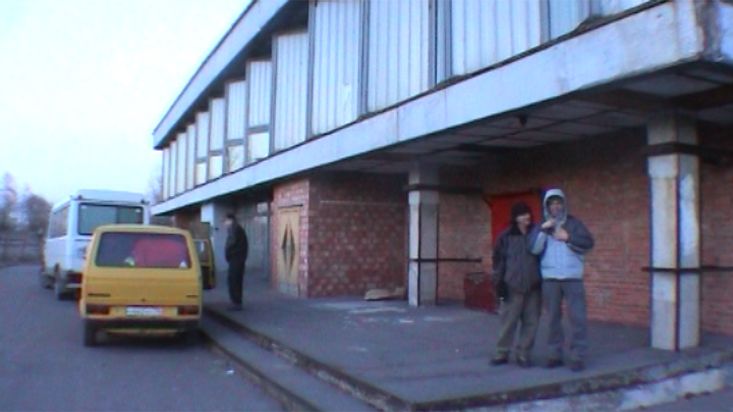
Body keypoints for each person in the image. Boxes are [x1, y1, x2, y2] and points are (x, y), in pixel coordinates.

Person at [529, 189, 594, 372]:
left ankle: (577, 356)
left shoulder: (574, 223)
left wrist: (568, 237)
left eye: (559, 203)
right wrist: (543, 230)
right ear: (547, 206)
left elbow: (588, 242)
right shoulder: (542, 226)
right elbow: (533, 249)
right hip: (550, 279)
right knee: (552, 319)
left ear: (563, 205)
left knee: (578, 318)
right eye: (552, 203)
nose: (556, 207)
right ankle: (554, 354)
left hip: (572, 278)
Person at [490, 202, 542, 368]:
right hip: (512, 286)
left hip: (533, 287)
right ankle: (501, 353)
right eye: (521, 214)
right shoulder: (505, 237)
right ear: (515, 218)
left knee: (531, 323)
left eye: (527, 213)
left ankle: (523, 354)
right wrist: (499, 284)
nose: (526, 217)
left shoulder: (536, 234)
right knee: (508, 323)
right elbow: (498, 262)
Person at [224, 213, 248, 311]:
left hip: (236, 259)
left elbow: (231, 243)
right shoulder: (238, 228)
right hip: (238, 258)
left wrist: (228, 252)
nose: (224, 223)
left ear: (230, 220)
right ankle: (236, 302)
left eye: (225, 221)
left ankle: (236, 302)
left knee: (234, 280)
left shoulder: (234, 229)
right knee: (236, 280)